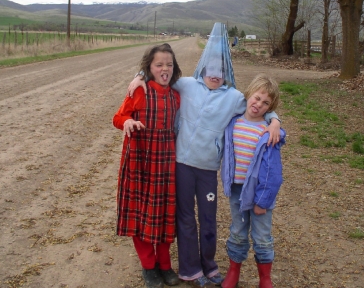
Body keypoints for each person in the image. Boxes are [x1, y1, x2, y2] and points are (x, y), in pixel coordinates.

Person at [128, 23, 281, 287]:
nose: (215, 74)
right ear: (202, 67)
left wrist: (275, 120)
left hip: (208, 169)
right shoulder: (187, 85)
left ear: (227, 71)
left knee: (208, 219)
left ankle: (209, 266)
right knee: (185, 218)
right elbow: (160, 74)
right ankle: (190, 270)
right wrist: (140, 75)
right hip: (182, 166)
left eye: (221, 70)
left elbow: (260, 107)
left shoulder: (233, 97)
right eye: (210, 68)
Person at [113, 43, 182, 288]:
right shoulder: (139, 91)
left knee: (164, 214)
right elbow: (118, 117)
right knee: (139, 215)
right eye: (159, 64)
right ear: (149, 67)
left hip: (165, 163)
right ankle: (148, 265)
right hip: (139, 162)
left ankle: (165, 264)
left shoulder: (176, 95)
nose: (165, 68)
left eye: (169, 64)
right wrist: (128, 122)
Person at [220, 74, 285, 288]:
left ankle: (265, 278)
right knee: (237, 232)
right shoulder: (232, 123)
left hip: (260, 193)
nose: (259, 104)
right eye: (257, 98)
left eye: (266, 103)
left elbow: (273, 172)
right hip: (238, 190)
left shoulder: (268, 133)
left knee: (262, 236)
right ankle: (233, 272)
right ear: (249, 95)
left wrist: (262, 201)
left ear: (270, 107)